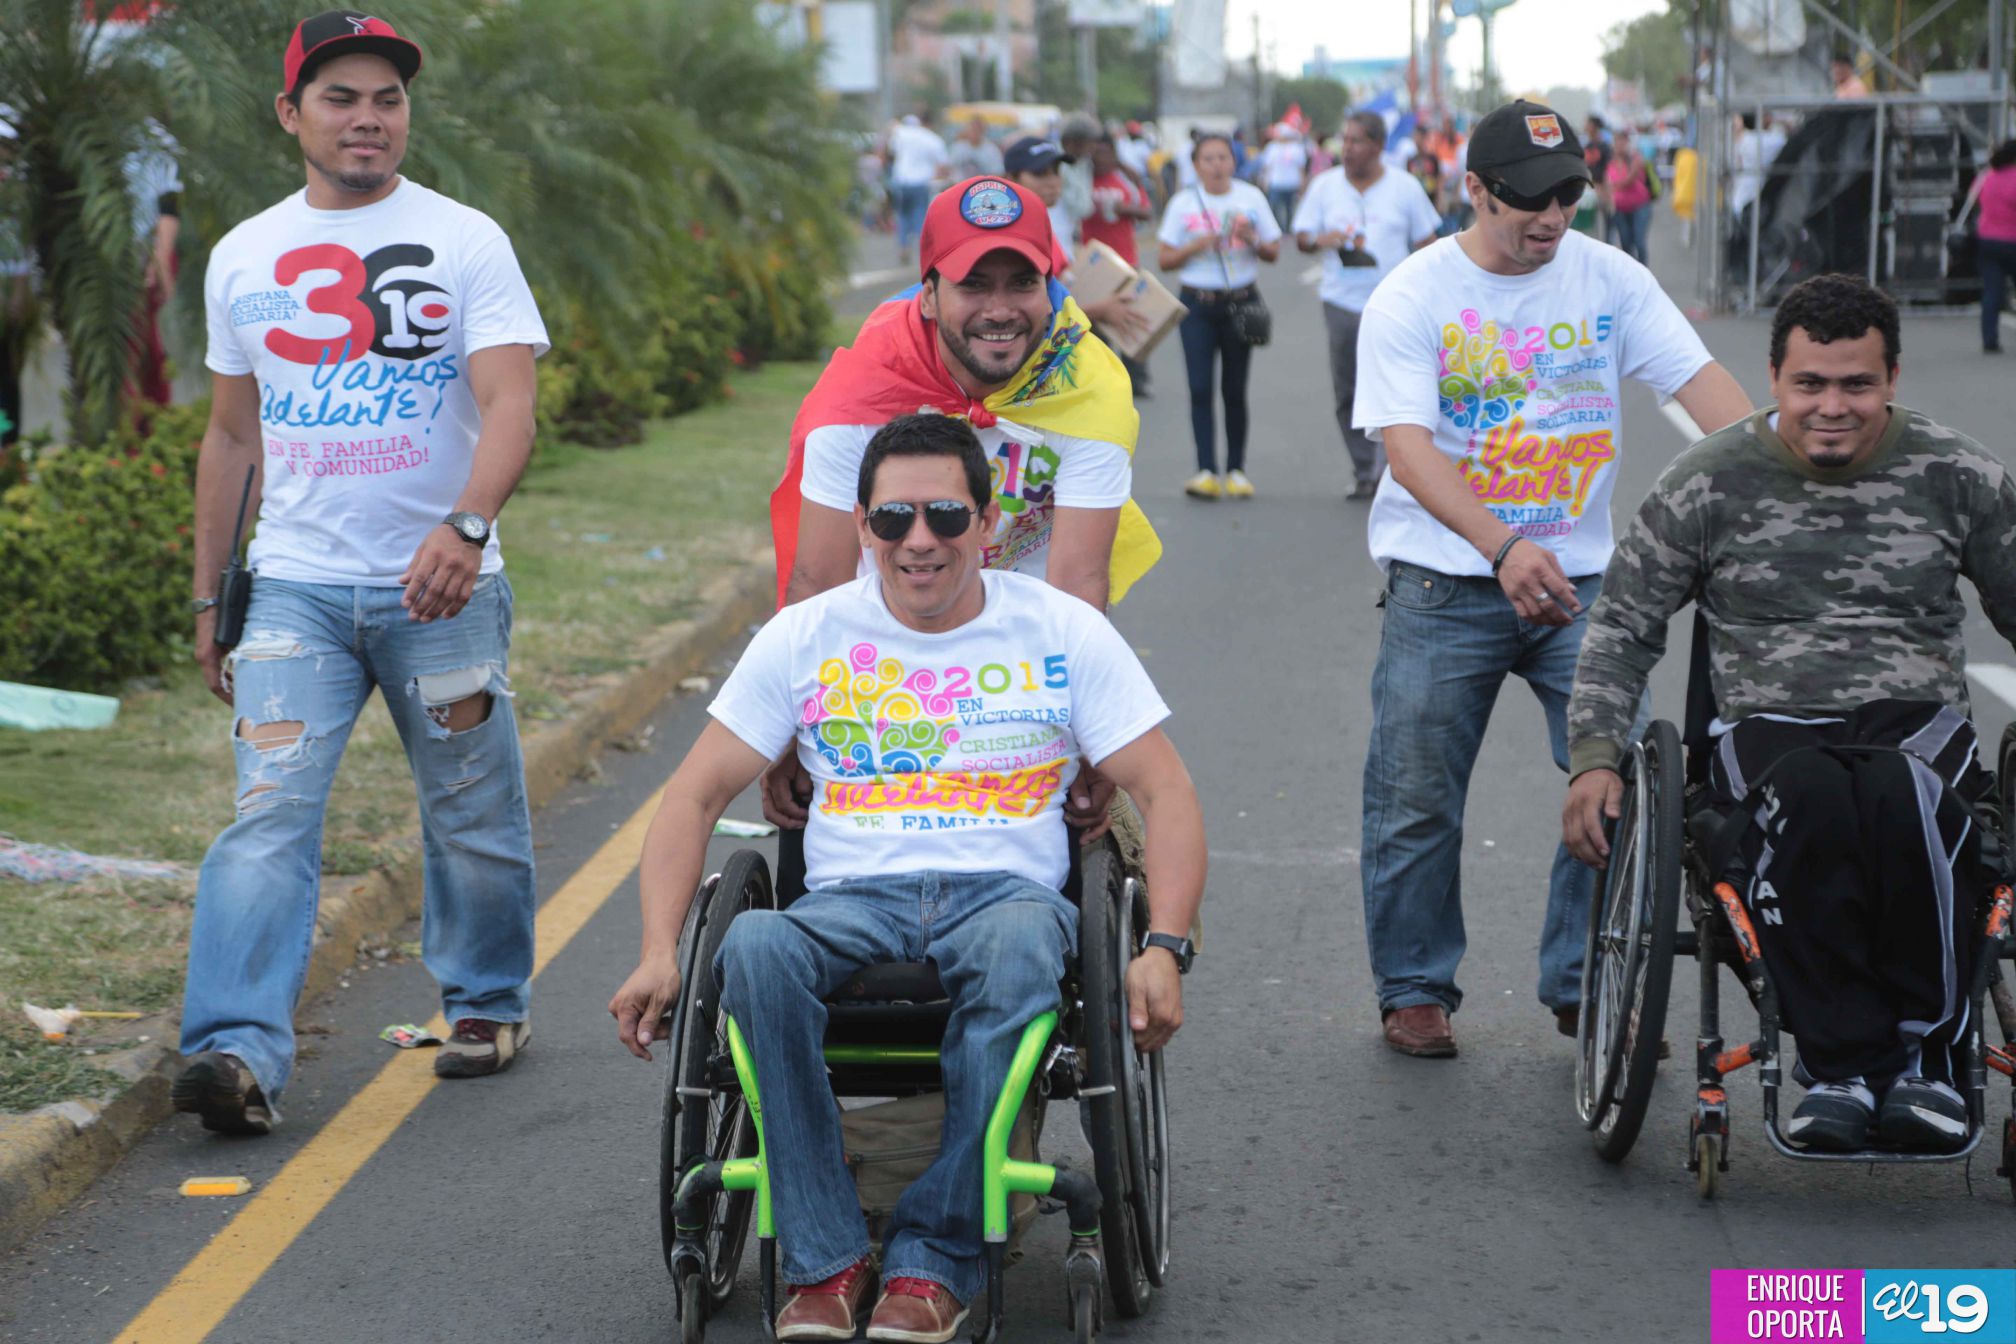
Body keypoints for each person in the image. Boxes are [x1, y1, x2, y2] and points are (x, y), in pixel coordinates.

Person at [610, 413, 1206, 1344]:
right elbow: (689, 799)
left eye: (942, 516)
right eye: (892, 520)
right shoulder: (807, 637)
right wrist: (657, 953)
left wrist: (1163, 945)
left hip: (1006, 897)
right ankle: (827, 1258)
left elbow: (1166, 792)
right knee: (754, 947)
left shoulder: (1059, 630)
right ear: (862, 526)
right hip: (850, 902)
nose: (917, 541)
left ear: (985, 516)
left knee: (1015, 950)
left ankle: (933, 1258)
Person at [174, 9, 549, 1134]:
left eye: (387, 98)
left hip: (443, 591)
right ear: (291, 113)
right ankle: (233, 1051)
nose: (369, 118)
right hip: (293, 587)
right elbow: (232, 439)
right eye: (342, 97)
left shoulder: (463, 239)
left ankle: (486, 1003)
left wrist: (468, 526)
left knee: (471, 808)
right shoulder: (243, 254)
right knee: (268, 814)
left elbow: (511, 400)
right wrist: (210, 595)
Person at [1564, 273, 2016, 1152]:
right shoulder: (1707, 482)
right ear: (1775, 378)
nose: (1833, 406)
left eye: (1857, 384)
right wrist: (1592, 756)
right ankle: (1844, 1067)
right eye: (1811, 383)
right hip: (1769, 728)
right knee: (1809, 792)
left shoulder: (1957, 475)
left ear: (1893, 379)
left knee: (1900, 794)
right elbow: (1621, 625)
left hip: (1915, 721)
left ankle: (1919, 1061)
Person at [1349, 99, 1752, 1058]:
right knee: (1415, 798)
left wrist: (1774, 484)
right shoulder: (1413, 296)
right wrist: (1500, 545)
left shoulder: (1609, 277)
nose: (1552, 217)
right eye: (1527, 199)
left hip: (1583, 589)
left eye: (1569, 193)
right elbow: (1408, 452)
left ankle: (1585, 976)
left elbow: (1707, 396)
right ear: (1474, 191)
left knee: (1622, 783)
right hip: (1445, 586)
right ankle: (1414, 987)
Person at [1293, 111, 1441, 500]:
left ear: (1377, 146)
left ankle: (1394, 469)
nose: (1348, 149)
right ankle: (1364, 470)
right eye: (1345, 140)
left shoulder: (1404, 188)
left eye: (1357, 141)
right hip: (1341, 302)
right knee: (1348, 391)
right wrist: (1323, 239)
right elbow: (1302, 239)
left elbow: (1428, 242)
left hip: (1393, 305)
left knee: (1396, 389)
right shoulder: (1324, 187)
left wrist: (1425, 291)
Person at [1156, 132, 1281, 500]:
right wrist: (1196, 245)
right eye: (1208, 158)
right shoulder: (1182, 203)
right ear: (1195, 165)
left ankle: (1237, 470)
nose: (1216, 165)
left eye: (1223, 157)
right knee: (1199, 388)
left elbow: (1273, 251)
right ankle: (1206, 470)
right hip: (1197, 302)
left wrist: (1252, 238)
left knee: (1234, 389)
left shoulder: (1250, 197)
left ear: (1234, 161)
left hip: (1241, 301)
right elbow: (1165, 259)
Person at [1971, 139, 2016, 354]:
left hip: (1987, 241)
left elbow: (1975, 199)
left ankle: (1989, 339)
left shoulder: (1988, 177)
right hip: (2012, 240)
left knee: (1992, 292)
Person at [888, 111, 949, 265]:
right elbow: (943, 165)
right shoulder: (933, 139)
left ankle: (904, 248)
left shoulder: (903, 133)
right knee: (920, 216)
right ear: (930, 124)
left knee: (902, 215)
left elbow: (891, 147)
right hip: (921, 182)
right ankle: (924, 251)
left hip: (901, 180)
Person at [1605, 138, 1656, 263]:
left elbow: (1629, 180)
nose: (1619, 147)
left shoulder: (1636, 159)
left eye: (1622, 143)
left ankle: (1644, 272)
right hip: (1620, 208)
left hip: (1640, 206)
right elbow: (1608, 183)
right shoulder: (1610, 163)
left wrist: (1613, 186)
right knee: (1626, 243)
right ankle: (1632, 271)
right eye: (1617, 144)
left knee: (1639, 242)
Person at [1258, 123, 1309, 230]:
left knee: (1291, 210)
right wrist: (1265, 182)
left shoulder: (1297, 148)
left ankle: (1289, 231)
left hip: (1292, 184)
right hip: (1276, 184)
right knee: (1275, 210)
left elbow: (1301, 169)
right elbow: (1267, 167)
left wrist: (1303, 184)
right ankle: (1278, 230)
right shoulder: (1272, 147)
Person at [947, 115, 1003, 180]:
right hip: (959, 185)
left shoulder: (992, 150)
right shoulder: (958, 148)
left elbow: (998, 173)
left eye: (978, 129)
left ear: (983, 131)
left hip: (982, 188)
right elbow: (948, 168)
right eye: (972, 129)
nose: (975, 132)